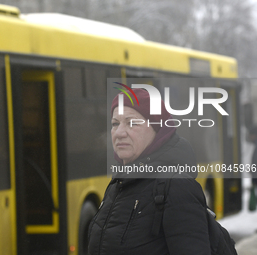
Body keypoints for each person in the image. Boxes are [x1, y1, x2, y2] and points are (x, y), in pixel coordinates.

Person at [88, 88, 211, 254]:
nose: (119, 133)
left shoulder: (177, 186)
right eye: (115, 124)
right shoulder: (118, 184)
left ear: (157, 129)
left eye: (132, 123)